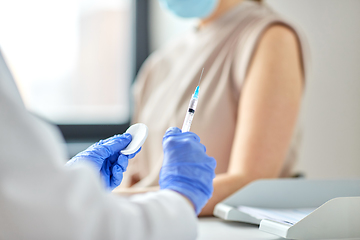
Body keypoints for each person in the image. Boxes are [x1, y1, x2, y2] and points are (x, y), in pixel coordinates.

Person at [0, 49, 216, 239]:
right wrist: (181, 197)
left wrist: (69, 181)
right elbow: (70, 227)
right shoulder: (159, 63)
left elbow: (18, 204)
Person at [119, 0, 308, 216]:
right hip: (155, 224)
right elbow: (134, 176)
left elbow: (251, 184)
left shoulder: (271, 38)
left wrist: (111, 203)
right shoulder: (160, 61)